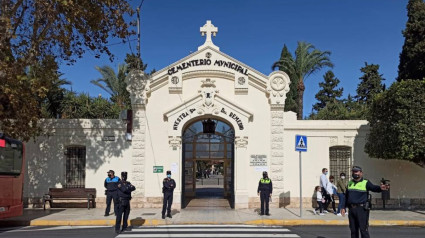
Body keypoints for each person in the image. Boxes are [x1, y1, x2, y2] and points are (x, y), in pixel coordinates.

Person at [341, 166, 388, 238]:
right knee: (353, 230)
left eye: (356, 171)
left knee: (363, 230)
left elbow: (373, 188)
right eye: (353, 171)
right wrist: (343, 207)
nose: (355, 173)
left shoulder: (365, 182)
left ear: (361, 173)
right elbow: (346, 196)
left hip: (361, 209)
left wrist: (380, 188)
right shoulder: (350, 183)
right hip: (351, 209)